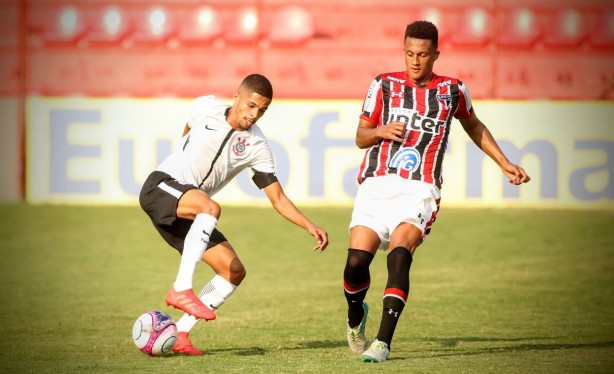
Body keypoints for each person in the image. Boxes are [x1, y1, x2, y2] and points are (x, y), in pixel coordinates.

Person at [342, 20, 531, 363]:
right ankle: (356, 316)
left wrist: (504, 163)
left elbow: (474, 125)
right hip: (377, 183)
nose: (415, 61)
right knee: (355, 263)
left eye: (423, 55)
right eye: (409, 53)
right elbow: (360, 137)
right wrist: (382, 131)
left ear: (435, 55)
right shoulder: (383, 84)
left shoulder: (453, 90)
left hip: (420, 188)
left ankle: (382, 343)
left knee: (399, 255)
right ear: (404, 51)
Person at [139, 73, 329, 355]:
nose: (255, 115)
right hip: (161, 187)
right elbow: (190, 124)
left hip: (191, 212)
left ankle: (180, 333)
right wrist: (183, 154)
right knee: (210, 207)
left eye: (262, 110)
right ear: (237, 96)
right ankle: (181, 288)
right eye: (251, 105)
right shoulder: (206, 106)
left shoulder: (257, 146)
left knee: (233, 270)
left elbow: (277, 198)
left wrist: (308, 225)